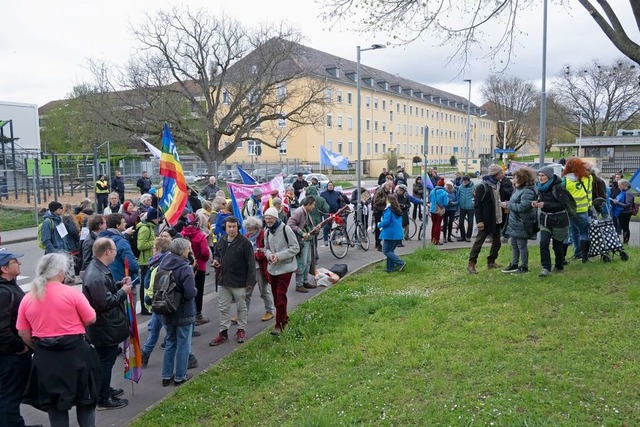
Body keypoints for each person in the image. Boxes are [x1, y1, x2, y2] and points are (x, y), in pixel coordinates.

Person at [17, 253, 99, 426]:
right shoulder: (71, 293)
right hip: (76, 354)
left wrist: (38, 347)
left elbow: (23, 332)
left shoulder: (28, 298)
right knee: (85, 400)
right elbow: (91, 318)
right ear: (60, 272)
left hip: (46, 358)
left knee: (55, 406)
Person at [82, 237, 132, 410]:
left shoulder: (99, 269)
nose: (116, 253)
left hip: (105, 326)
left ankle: (104, 389)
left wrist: (119, 285)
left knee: (105, 361)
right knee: (105, 362)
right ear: (107, 252)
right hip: (104, 327)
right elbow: (104, 303)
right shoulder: (96, 275)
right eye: (114, 250)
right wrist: (123, 292)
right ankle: (103, 398)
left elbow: (105, 291)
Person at [157, 238, 197, 386]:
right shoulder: (185, 267)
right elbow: (189, 293)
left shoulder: (163, 263)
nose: (189, 251)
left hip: (166, 308)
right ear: (182, 251)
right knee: (183, 343)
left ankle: (166, 376)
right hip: (183, 310)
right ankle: (180, 376)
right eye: (188, 248)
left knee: (170, 341)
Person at [210, 216, 256, 346]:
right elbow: (217, 254)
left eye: (234, 227)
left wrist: (250, 282)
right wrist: (216, 261)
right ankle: (223, 332)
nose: (231, 229)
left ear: (238, 227)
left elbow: (251, 264)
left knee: (241, 307)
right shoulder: (221, 241)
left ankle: (241, 330)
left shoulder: (245, 243)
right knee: (223, 307)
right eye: (229, 227)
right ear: (225, 227)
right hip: (223, 280)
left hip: (239, 281)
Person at [0, 249, 33, 427]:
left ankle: (15, 422)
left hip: (11, 353)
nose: (19, 263)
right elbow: (1, 331)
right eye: (14, 261)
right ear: (4, 269)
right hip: (10, 355)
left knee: (11, 393)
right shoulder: (4, 293)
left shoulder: (10, 285)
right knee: (10, 394)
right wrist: (20, 346)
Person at [263, 207, 300, 336]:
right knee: (276, 296)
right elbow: (265, 248)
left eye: (270, 218)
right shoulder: (267, 231)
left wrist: (279, 256)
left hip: (286, 268)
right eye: (266, 218)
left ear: (276, 218)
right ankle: (284, 317)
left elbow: (295, 248)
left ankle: (279, 325)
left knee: (280, 295)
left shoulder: (286, 229)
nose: (268, 221)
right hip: (273, 269)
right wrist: (269, 255)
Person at [467, 164, 505, 274]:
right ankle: (471, 264)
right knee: (479, 242)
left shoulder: (498, 184)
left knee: (497, 242)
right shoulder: (482, 187)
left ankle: (491, 261)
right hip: (486, 221)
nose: (503, 174)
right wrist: (479, 221)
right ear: (495, 174)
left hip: (497, 219)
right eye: (501, 173)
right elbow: (477, 205)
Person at [533, 166, 571, 277]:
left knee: (557, 245)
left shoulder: (558, 187)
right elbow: (541, 200)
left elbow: (563, 204)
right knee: (543, 243)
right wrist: (537, 203)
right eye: (539, 175)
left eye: (542, 175)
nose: (540, 178)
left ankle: (559, 265)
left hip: (559, 219)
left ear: (548, 176)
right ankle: (546, 268)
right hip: (545, 219)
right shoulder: (540, 187)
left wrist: (545, 204)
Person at [501, 167, 537, 274]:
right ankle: (514, 264)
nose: (513, 179)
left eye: (515, 177)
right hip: (515, 222)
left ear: (522, 178)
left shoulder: (527, 191)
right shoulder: (519, 189)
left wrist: (508, 205)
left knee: (521, 245)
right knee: (514, 244)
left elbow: (523, 207)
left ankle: (524, 266)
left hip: (522, 222)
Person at [243, 216, 276, 322]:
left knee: (263, 291)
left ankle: (269, 311)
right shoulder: (246, 237)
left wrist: (254, 255)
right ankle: (243, 313)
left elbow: (266, 252)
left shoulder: (264, 235)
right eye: (248, 229)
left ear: (257, 228)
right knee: (247, 292)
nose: (249, 232)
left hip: (260, 267)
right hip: (249, 268)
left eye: (251, 229)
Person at [181, 216, 211, 326]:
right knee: (198, 291)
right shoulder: (200, 235)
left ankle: (188, 315)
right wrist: (202, 261)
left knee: (187, 291)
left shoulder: (182, 234)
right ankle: (198, 315)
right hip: (199, 266)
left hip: (185, 267)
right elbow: (205, 252)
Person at [562, 157, 593, 262]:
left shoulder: (565, 180)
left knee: (570, 232)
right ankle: (584, 257)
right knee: (584, 232)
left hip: (569, 211)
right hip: (583, 209)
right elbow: (589, 193)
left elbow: (562, 196)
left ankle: (566, 257)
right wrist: (589, 205)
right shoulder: (588, 178)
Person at [288, 196, 320, 292]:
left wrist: (315, 228)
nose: (313, 207)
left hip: (308, 240)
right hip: (302, 241)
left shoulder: (306, 212)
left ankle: (305, 281)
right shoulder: (299, 212)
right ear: (309, 204)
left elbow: (307, 225)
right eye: (313, 205)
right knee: (302, 263)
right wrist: (302, 233)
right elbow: (290, 224)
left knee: (308, 262)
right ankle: (299, 284)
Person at [99, 213, 139, 284]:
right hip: (123, 280)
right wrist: (137, 266)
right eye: (123, 222)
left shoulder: (100, 239)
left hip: (106, 280)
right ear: (117, 225)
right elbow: (131, 264)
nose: (126, 224)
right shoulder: (122, 242)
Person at [136, 207, 160, 315]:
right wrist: (154, 242)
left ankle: (146, 306)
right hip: (144, 260)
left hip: (148, 259)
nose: (159, 220)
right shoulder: (145, 229)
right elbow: (141, 245)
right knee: (145, 285)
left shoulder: (149, 227)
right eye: (157, 218)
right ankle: (144, 308)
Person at [378, 194, 406, 273]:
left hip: (390, 234)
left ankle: (400, 263)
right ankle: (390, 269)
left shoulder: (388, 209)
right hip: (398, 234)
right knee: (390, 251)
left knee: (386, 251)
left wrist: (379, 224)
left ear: (388, 201)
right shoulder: (398, 209)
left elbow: (386, 221)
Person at [611, 179, 634, 244]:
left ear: (624, 185)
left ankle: (625, 242)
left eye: (619, 185)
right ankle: (624, 242)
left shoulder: (628, 193)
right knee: (622, 227)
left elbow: (627, 205)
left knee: (625, 228)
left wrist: (616, 202)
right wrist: (616, 200)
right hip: (621, 212)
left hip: (626, 213)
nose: (618, 187)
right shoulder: (623, 191)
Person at [372, 181, 393, 251]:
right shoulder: (380, 191)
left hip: (384, 210)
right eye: (389, 186)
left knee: (383, 227)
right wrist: (386, 199)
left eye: (391, 186)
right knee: (379, 227)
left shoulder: (387, 192)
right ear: (385, 185)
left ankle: (380, 242)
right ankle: (378, 243)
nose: (390, 188)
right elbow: (376, 201)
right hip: (378, 211)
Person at [429, 178, 449, 245]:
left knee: (434, 224)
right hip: (439, 211)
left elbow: (430, 200)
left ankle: (432, 239)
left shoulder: (432, 191)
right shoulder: (444, 193)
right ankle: (436, 240)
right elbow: (446, 203)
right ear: (443, 185)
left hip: (432, 210)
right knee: (438, 224)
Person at [457, 175, 475, 242]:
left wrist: (473, 204)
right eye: (463, 180)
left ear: (469, 180)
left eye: (466, 180)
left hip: (471, 208)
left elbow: (476, 196)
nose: (464, 182)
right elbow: (458, 195)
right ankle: (462, 236)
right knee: (461, 222)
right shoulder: (461, 187)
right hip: (462, 207)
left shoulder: (473, 187)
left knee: (470, 223)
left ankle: (468, 236)